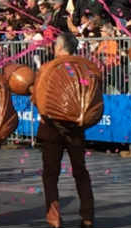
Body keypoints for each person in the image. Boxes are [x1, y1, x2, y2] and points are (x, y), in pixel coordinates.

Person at [38, 33, 94, 228]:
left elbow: (39, 97)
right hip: (76, 129)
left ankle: (54, 219)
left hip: (52, 128)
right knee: (80, 172)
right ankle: (88, 216)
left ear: (60, 48)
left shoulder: (48, 68)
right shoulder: (85, 68)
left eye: (55, 45)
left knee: (50, 175)